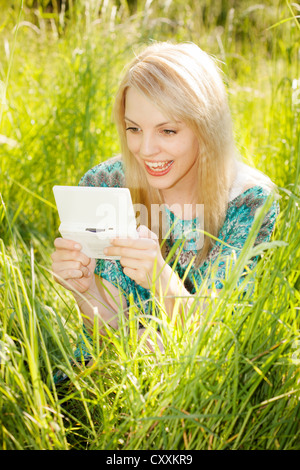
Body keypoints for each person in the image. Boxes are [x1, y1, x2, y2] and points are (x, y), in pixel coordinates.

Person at [51, 41, 279, 366]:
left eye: (167, 130)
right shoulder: (107, 184)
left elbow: (222, 339)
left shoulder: (248, 203)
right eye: (134, 129)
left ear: (206, 128)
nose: (145, 150)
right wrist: (85, 288)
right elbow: (108, 332)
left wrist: (160, 277)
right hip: (109, 374)